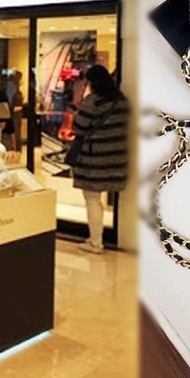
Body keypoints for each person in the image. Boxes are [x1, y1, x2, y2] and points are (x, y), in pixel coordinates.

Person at [71, 65, 129, 254]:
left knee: (92, 199)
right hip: (116, 157)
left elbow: (79, 127)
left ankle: (96, 242)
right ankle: (98, 238)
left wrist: (77, 110)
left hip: (94, 158)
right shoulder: (121, 101)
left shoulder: (93, 101)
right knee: (101, 200)